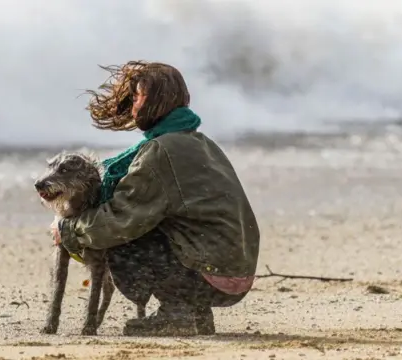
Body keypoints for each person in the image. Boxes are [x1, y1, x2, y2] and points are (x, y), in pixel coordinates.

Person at [53, 60, 260, 337]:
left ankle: (176, 312)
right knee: (168, 223)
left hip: (209, 275)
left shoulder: (160, 152)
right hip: (237, 272)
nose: (132, 105)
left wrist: (68, 229)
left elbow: (119, 220)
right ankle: (196, 313)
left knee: (125, 235)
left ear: (156, 102)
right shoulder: (202, 143)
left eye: (137, 97)